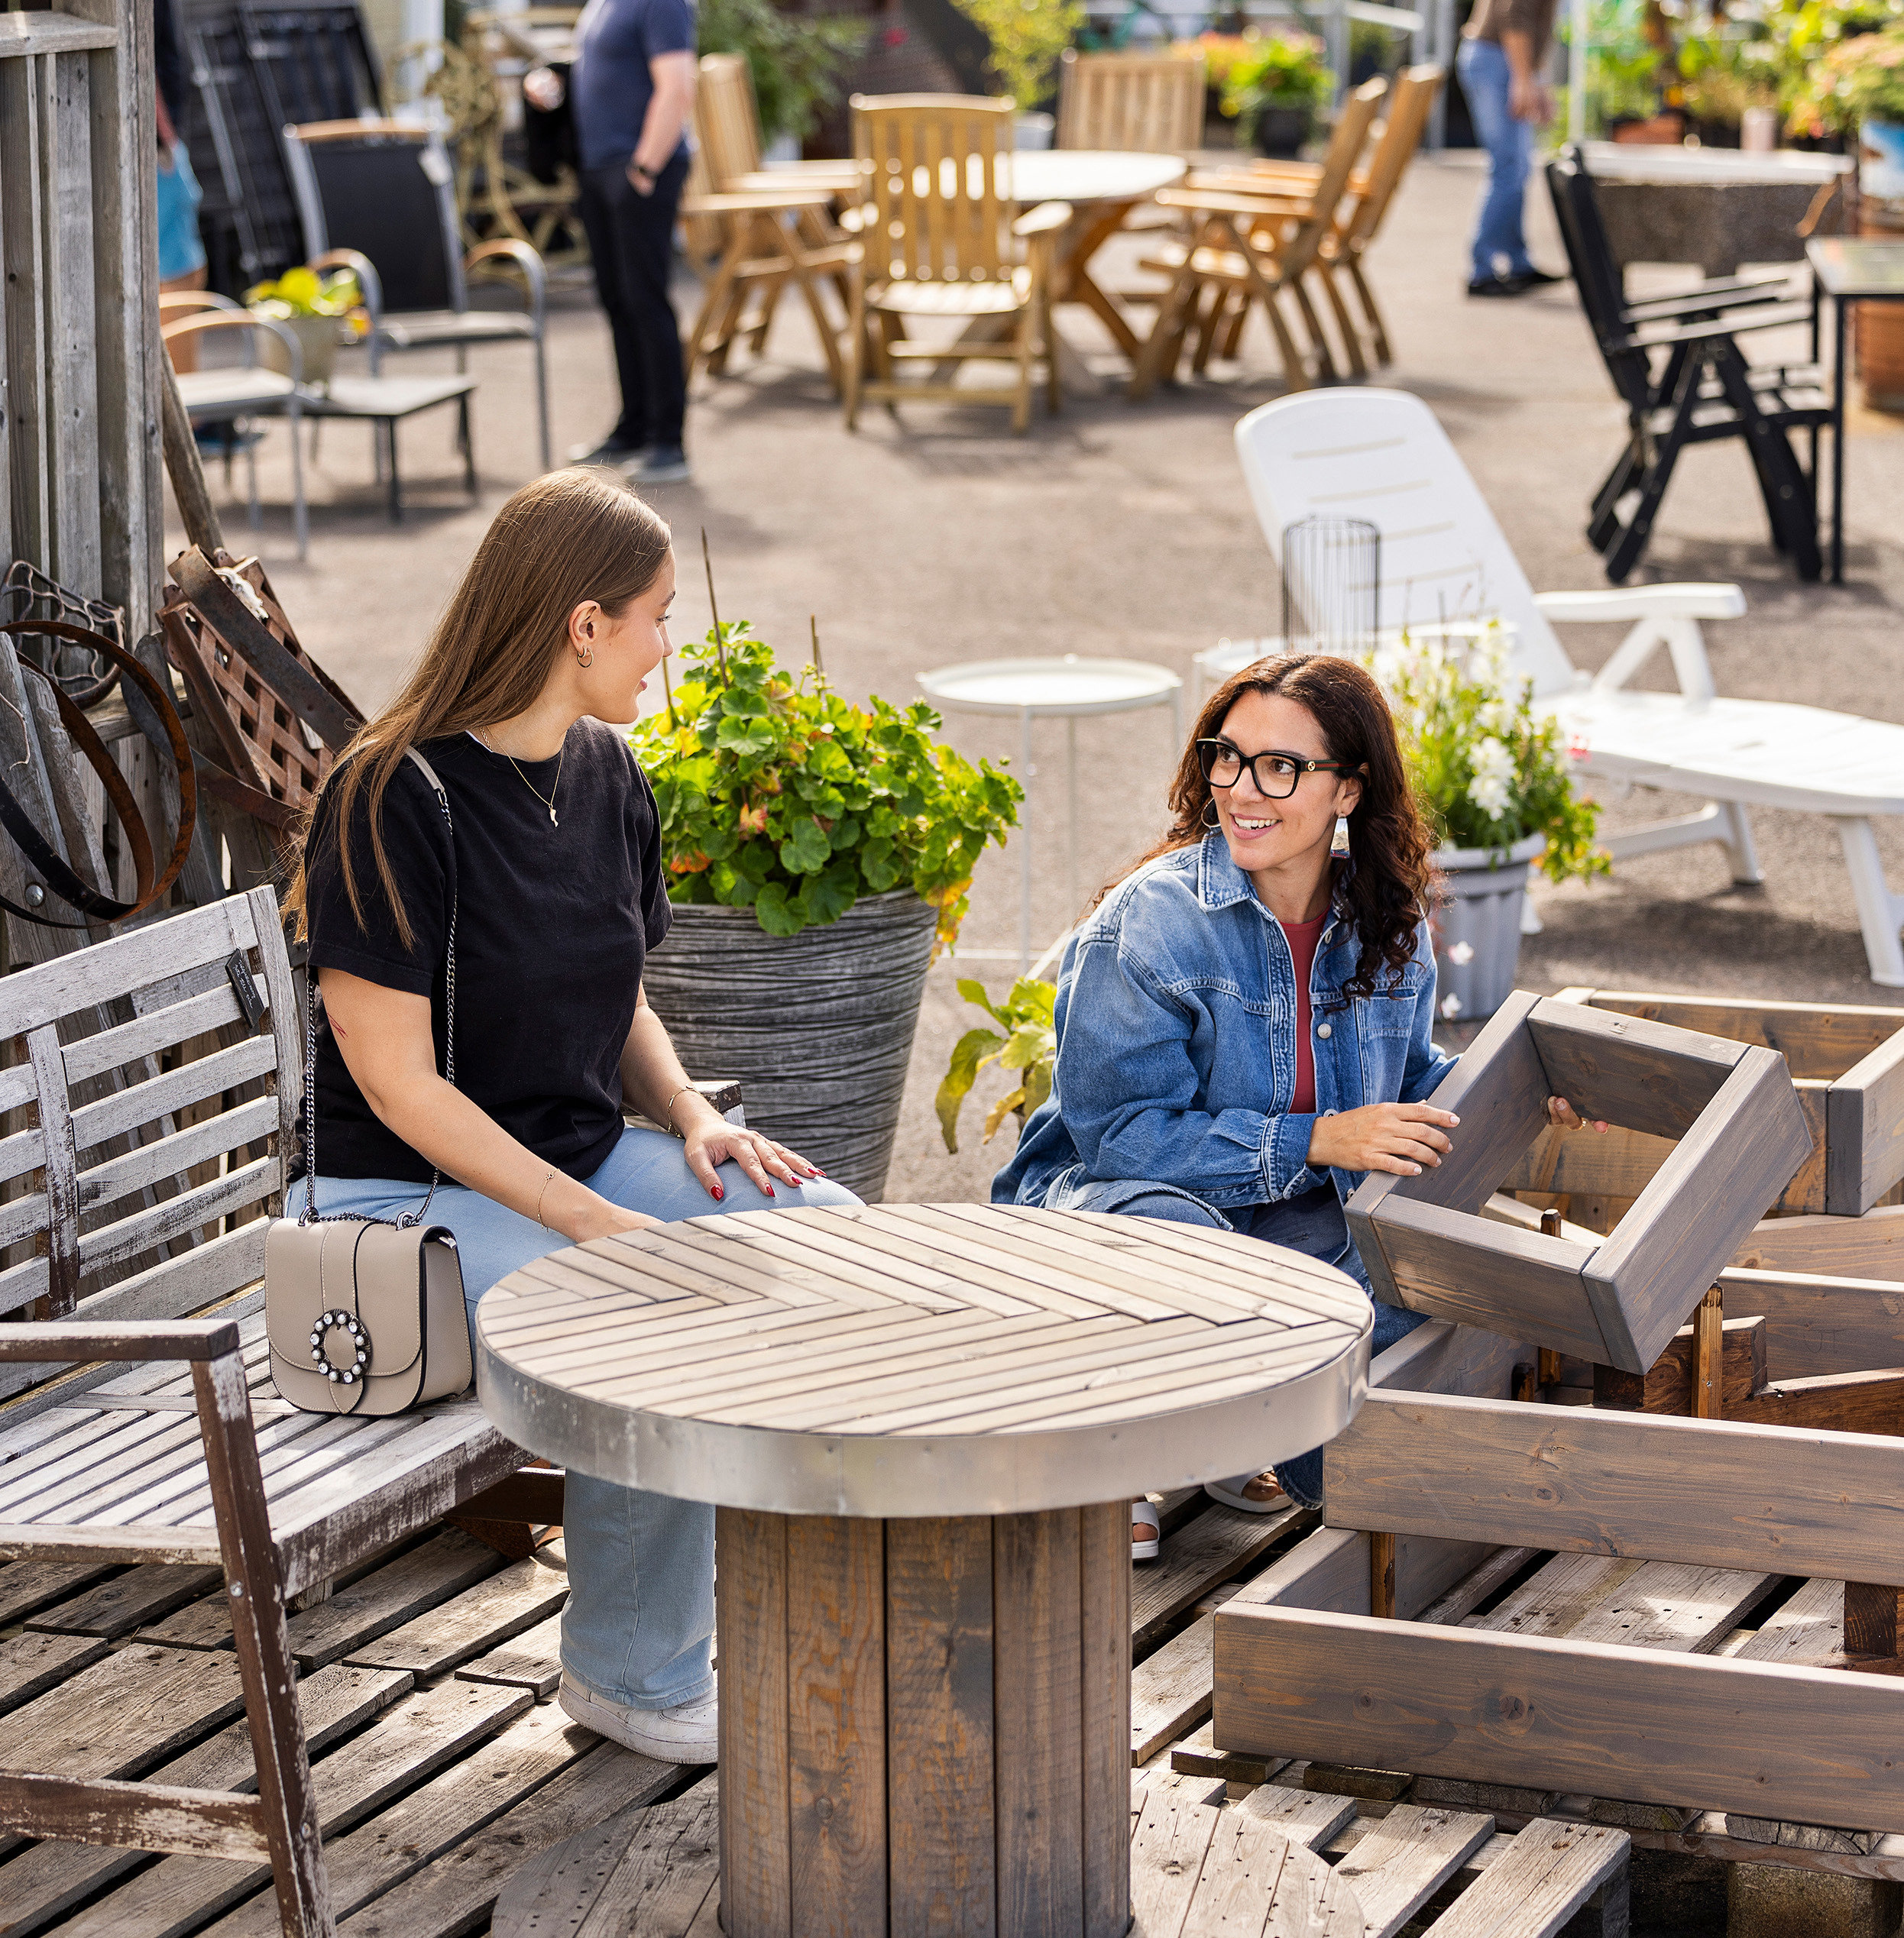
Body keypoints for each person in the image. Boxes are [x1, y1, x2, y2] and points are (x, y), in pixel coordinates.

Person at [287, 468, 859, 1762]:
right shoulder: (394, 795)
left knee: (829, 1234)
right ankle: (631, 1674)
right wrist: (597, 1221)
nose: (671, 645)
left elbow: (620, 988)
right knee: (644, 1316)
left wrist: (690, 1117)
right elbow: (395, 1085)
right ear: (581, 624)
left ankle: (760, 1611)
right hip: (397, 1205)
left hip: (571, 1162)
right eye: (655, 616)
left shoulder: (604, 769)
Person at [990, 653, 1601, 1548]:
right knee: (1197, 1253)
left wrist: (1522, 1087)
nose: (1242, 788)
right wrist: (1319, 1138)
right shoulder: (1149, 924)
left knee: (1431, 1281)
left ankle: (1232, 1419)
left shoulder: (1381, 921)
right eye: (1226, 756)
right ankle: (1113, 1444)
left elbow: (1400, 1083)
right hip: (1118, 1206)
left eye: (1280, 767)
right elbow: (1122, 1139)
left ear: (1347, 791)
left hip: (1287, 1220)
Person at [566, 0, 699, 484]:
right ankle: (633, 428)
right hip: (601, 168)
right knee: (617, 300)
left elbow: (679, 87)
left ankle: (669, 442)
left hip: (639, 168)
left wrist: (644, 168)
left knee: (645, 300)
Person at [1457, 0, 1568, 297]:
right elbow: (1513, 13)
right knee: (1508, 168)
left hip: (1506, 59)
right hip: (1497, 59)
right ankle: (1482, 269)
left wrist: (1536, 79)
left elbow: (1533, 21)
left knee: (1517, 168)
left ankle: (1517, 261)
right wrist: (1522, 79)